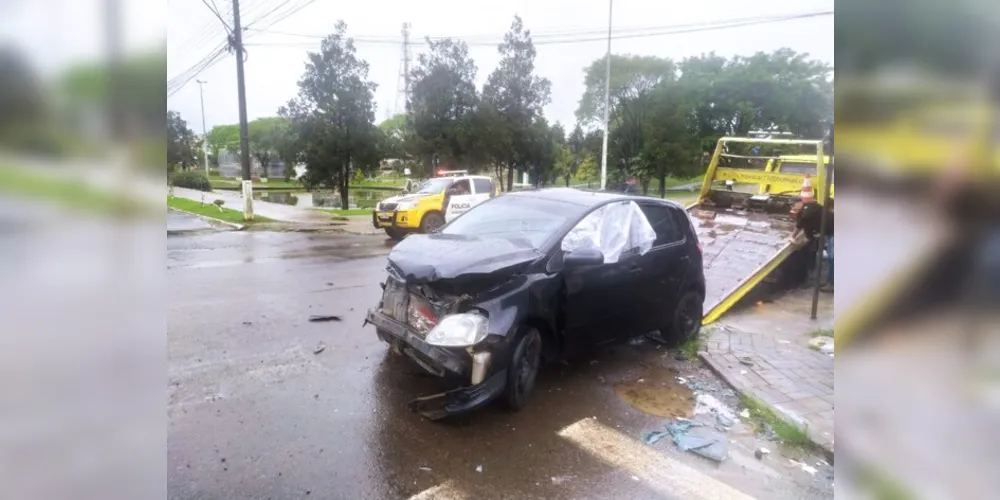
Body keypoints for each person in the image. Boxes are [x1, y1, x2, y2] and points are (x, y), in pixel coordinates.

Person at [786, 200, 834, 289]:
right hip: (829, 232)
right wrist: (797, 244)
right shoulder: (806, 220)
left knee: (832, 257)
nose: (792, 207)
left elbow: (803, 220)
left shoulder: (810, 207)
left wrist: (793, 235)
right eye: (790, 206)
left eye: (793, 204)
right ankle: (830, 281)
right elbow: (809, 236)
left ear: (800, 202)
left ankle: (832, 284)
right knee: (830, 255)